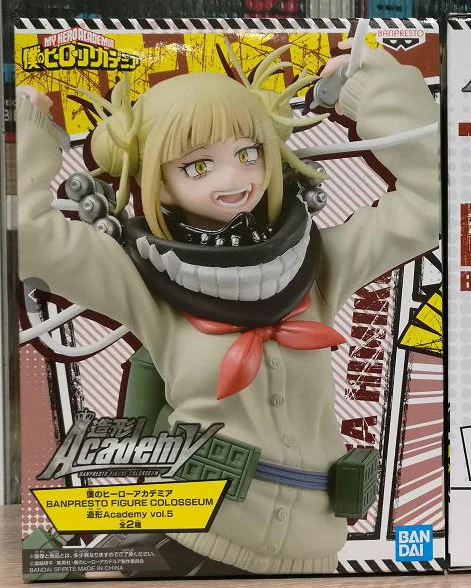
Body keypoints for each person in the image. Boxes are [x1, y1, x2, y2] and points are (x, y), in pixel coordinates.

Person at [17, 37, 439, 574]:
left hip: (313, 550)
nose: (235, 178)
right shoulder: (143, 279)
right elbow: (28, 237)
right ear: (158, 183)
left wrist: (376, 89)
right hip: (192, 540)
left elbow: (434, 202)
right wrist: (24, 132)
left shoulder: (319, 264)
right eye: (197, 166)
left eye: (248, 154)